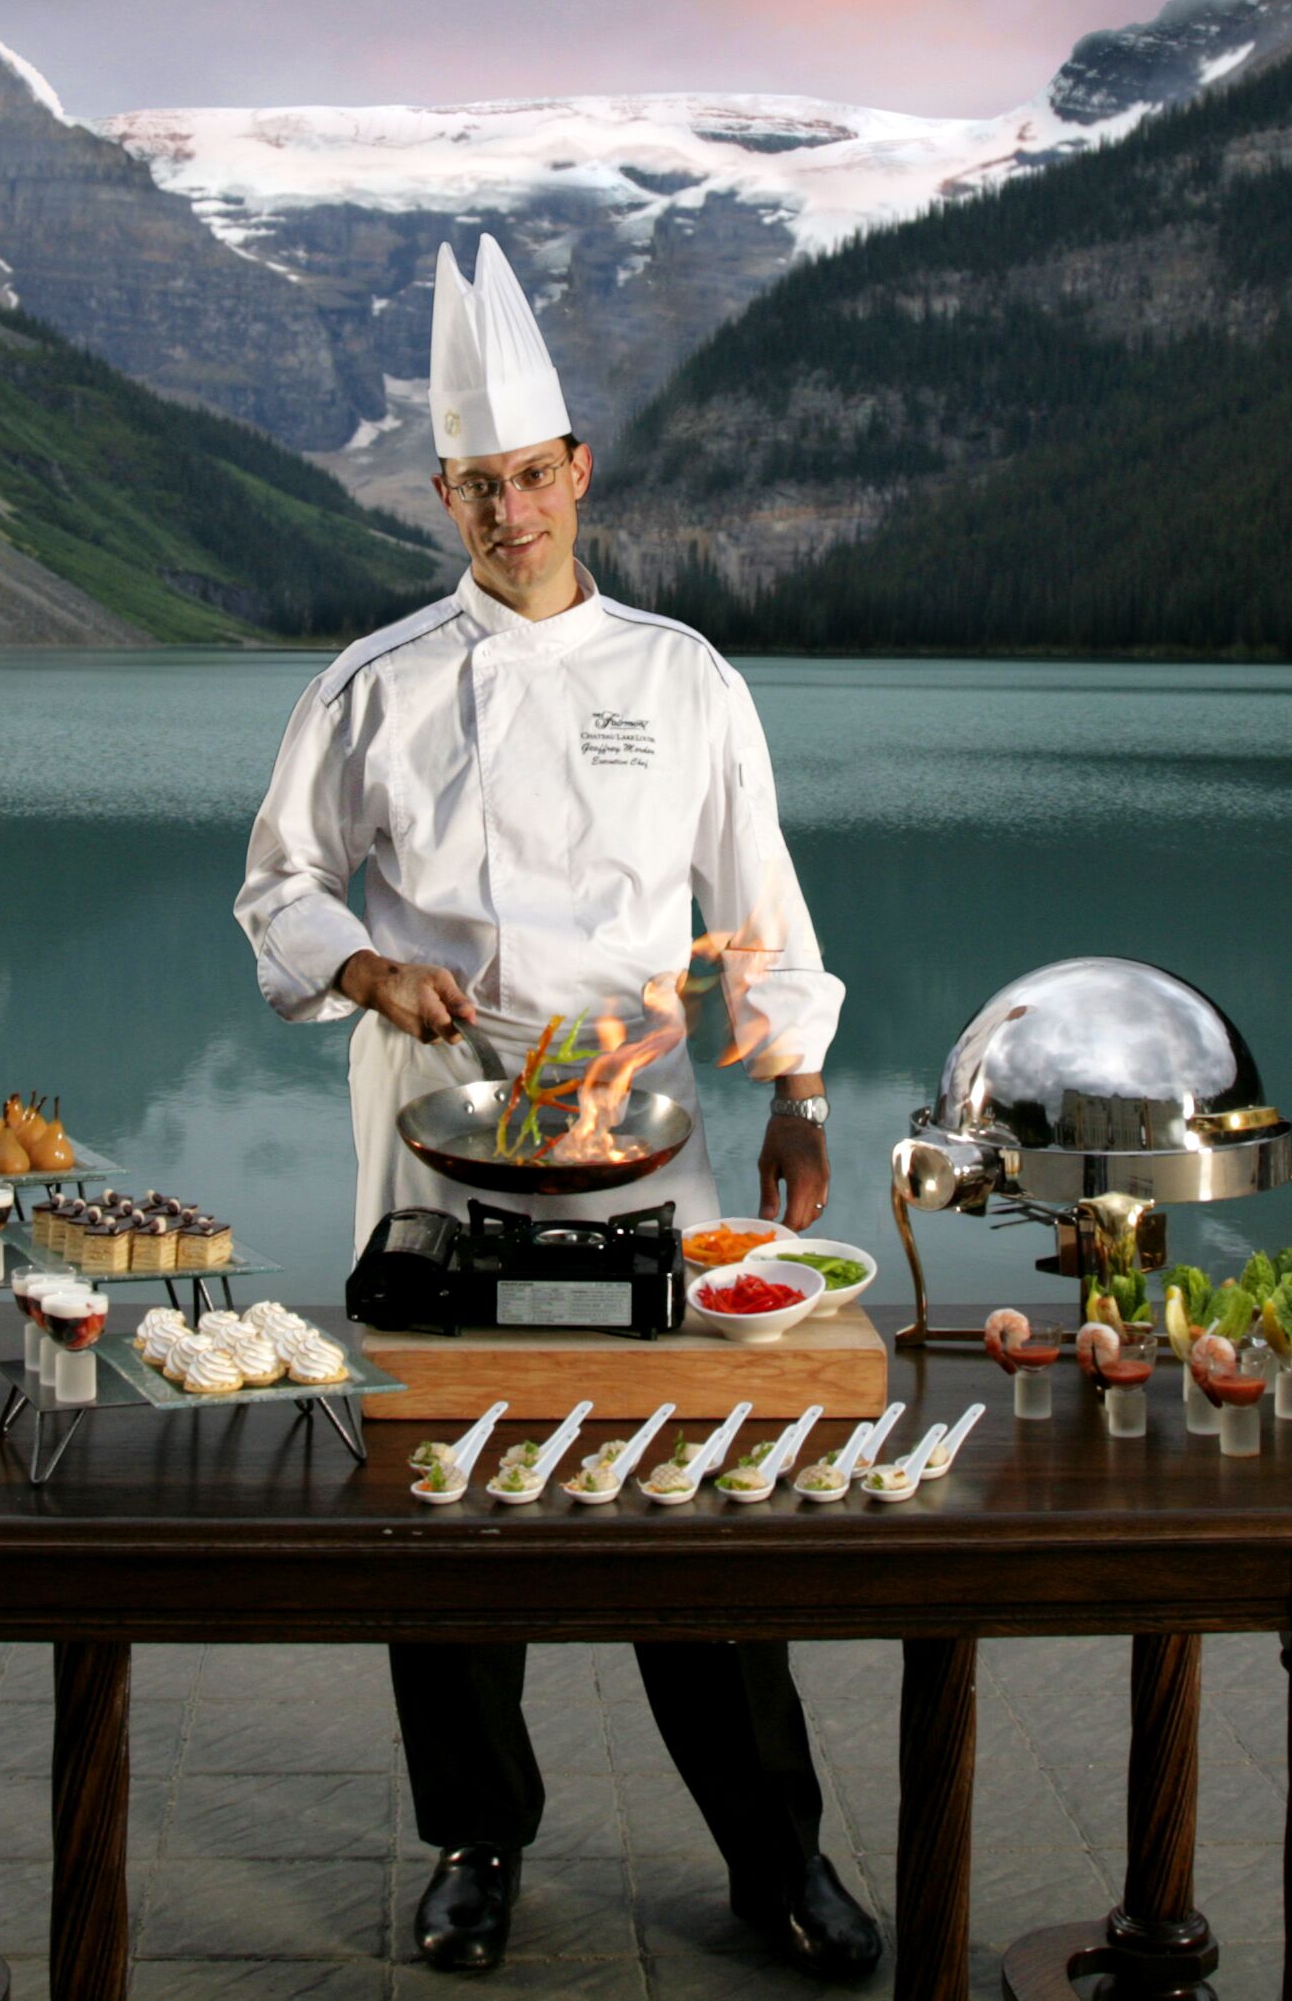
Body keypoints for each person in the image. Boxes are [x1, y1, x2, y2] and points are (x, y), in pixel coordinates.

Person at [237, 236, 884, 1982]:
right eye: (476, 485)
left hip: (638, 1143)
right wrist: (373, 976)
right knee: (449, 1503)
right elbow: (279, 888)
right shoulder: (372, 683)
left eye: (533, 477)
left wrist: (799, 1090)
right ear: (441, 492)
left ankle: (775, 1855)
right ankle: (474, 1844)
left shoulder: (681, 679)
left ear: (578, 471)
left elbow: (760, 896)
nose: (508, 511)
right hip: (434, 1133)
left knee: (689, 1486)